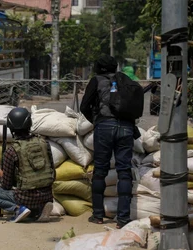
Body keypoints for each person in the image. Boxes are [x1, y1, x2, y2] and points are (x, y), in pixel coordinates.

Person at [80, 54, 139, 229]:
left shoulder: (96, 81)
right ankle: (123, 218)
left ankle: (98, 215)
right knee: (124, 172)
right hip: (127, 128)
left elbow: (84, 107)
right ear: (115, 67)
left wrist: (97, 120)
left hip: (104, 127)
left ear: (98, 67)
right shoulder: (126, 80)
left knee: (100, 171)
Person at [0, 107, 54, 223]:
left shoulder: (12, 150)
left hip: (26, 198)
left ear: (11, 128)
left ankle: (18, 209)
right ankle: (39, 210)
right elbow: (52, 173)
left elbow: (6, 185)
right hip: (47, 196)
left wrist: (1, 176)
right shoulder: (44, 143)